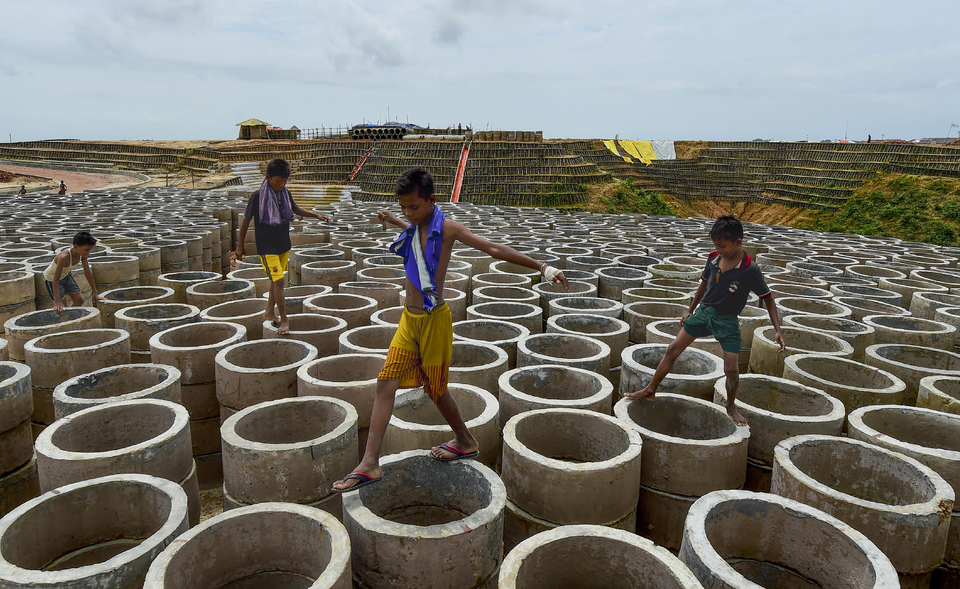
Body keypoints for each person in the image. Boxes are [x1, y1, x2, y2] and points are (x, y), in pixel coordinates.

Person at [333, 167, 570, 492]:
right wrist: (396, 220)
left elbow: (494, 249)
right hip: (409, 320)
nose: (408, 213)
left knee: (436, 390)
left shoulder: (447, 229)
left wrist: (543, 267)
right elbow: (415, 235)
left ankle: (466, 439)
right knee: (385, 383)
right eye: (403, 207)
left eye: (413, 207)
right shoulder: (415, 227)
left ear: (431, 200)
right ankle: (369, 463)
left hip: (434, 322)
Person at [625, 215, 785, 425]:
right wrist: (690, 310)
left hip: (727, 320)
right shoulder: (713, 259)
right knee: (673, 349)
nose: (720, 250)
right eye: (716, 245)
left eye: (724, 246)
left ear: (739, 242)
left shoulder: (750, 269)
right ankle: (650, 389)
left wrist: (778, 329)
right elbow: (703, 285)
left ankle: (731, 405)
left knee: (731, 369)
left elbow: (768, 299)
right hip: (704, 312)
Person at [233, 158, 331, 334]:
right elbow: (246, 222)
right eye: (278, 181)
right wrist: (239, 246)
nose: (281, 185)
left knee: (275, 281)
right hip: (266, 247)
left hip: (283, 245)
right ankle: (284, 319)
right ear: (268, 177)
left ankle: (269, 312)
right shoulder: (257, 197)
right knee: (279, 281)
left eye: (284, 181)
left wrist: (316, 215)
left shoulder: (285, 193)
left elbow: (296, 210)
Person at [44, 231, 101, 313]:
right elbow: (55, 279)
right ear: (76, 247)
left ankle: (70, 314)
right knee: (62, 308)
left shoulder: (83, 255)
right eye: (86, 250)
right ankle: (66, 317)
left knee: (79, 300)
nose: (88, 252)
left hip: (66, 276)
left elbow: (87, 271)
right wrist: (57, 301)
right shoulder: (64, 257)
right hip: (52, 279)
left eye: (90, 250)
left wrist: (95, 292)